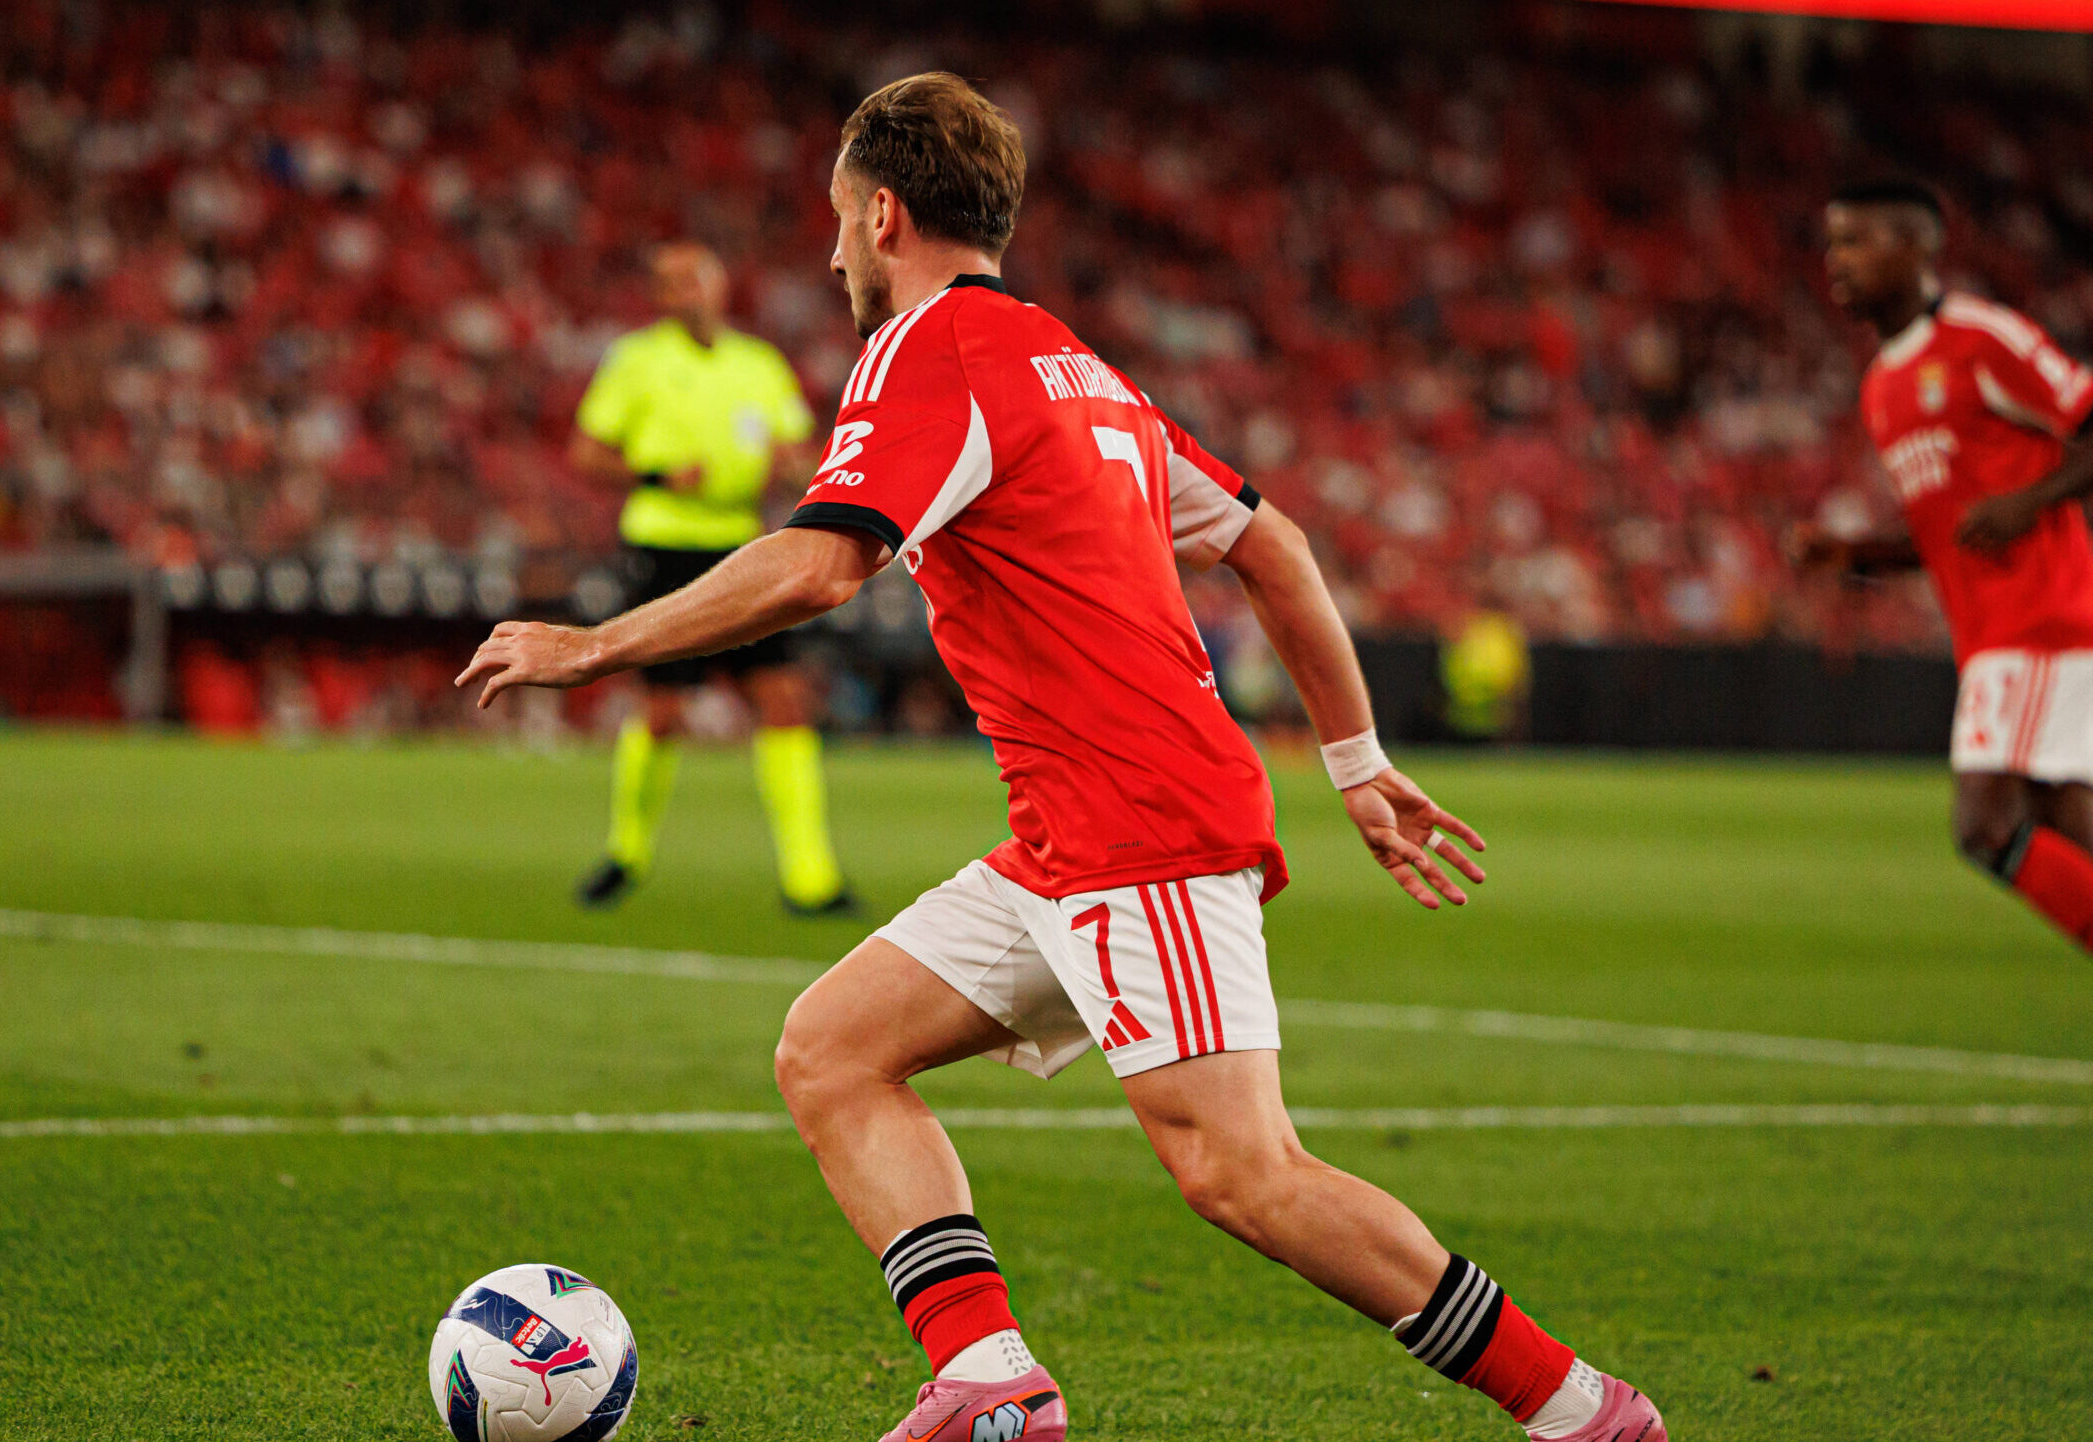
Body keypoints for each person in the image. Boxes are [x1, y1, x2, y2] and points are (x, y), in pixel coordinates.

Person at [463, 73, 1664, 1442]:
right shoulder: (1077, 367)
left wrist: (593, 644)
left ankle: (1582, 1410)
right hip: (1069, 832)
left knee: (1244, 1174)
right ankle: (988, 1376)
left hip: (1142, 818)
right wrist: (1355, 759)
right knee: (834, 1050)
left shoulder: (932, 349)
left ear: (887, 210)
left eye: (840, 223)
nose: (832, 252)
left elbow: (818, 562)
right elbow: (1275, 544)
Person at [1797, 179, 2093, 952]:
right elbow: (1946, 534)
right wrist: (1856, 555)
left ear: (1918, 245)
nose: (1838, 261)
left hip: (2041, 619)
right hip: (1994, 634)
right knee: (2063, 823)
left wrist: (2031, 501)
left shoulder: (1981, 339)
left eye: (1857, 241)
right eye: (1833, 243)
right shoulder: (1882, 387)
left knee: (1985, 826)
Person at [568, 240, 853, 916]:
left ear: (719, 287)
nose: (682, 293)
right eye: (668, 284)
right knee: (663, 712)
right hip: (665, 542)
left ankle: (810, 877)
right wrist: (657, 475)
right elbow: (587, 452)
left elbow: (792, 450)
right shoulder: (636, 362)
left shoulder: (757, 365)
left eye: (692, 279)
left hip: (741, 544)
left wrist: (797, 471)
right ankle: (626, 852)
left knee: (783, 700)